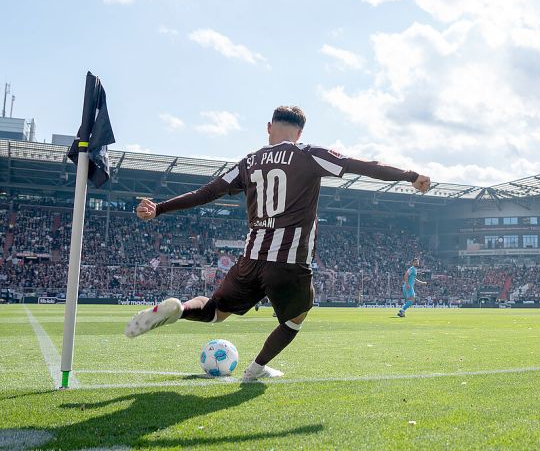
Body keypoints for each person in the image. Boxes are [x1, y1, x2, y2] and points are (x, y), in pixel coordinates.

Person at [124, 106, 431, 381]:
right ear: (299, 133)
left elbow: (205, 193)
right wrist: (410, 175)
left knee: (216, 311)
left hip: (250, 258)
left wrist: (160, 208)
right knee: (295, 319)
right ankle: (255, 370)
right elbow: (363, 166)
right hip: (289, 261)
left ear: (269, 127)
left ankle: (180, 309)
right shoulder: (308, 154)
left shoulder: (249, 162)